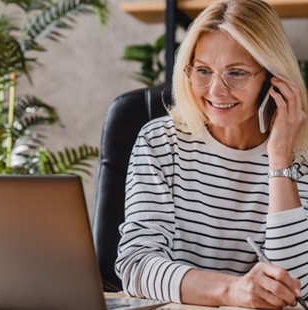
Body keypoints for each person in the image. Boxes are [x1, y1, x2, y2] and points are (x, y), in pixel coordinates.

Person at [115, 0, 308, 308]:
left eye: (236, 73)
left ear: (273, 79)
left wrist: (280, 158)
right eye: (203, 70)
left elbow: (295, 290)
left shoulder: (301, 155)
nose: (216, 90)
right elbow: (136, 266)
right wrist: (231, 290)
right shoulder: (160, 142)